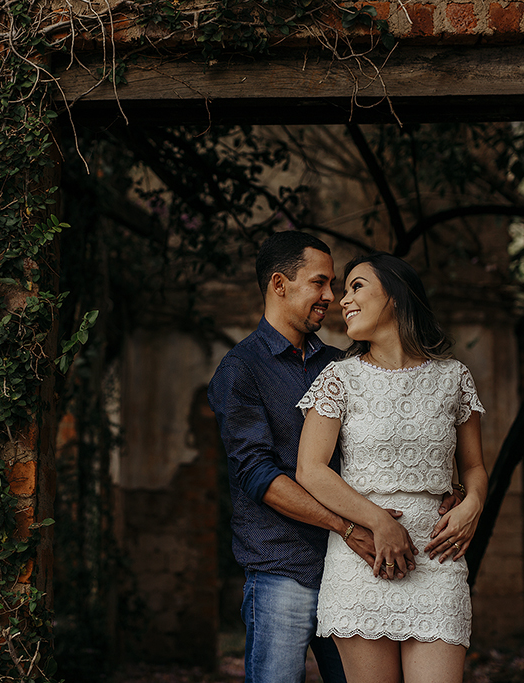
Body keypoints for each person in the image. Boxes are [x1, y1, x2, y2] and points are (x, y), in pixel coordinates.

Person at [208, 233, 460, 683]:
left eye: (335, 285)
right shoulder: (241, 368)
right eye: (319, 283)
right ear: (279, 284)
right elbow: (258, 474)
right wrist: (348, 527)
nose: (331, 296)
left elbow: (385, 442)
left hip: (356, 566)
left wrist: (449, 488)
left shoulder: (341, 364)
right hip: (284, 567)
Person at [295, 252, 489, 683]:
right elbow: (310, 470)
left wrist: (473, 503)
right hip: (363, 560)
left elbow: (474, 466)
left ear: (396, 296)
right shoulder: (338, 379)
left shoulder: (454, 377)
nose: (343, 300)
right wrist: (379, 522)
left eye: (357, 286)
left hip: (438, 558)